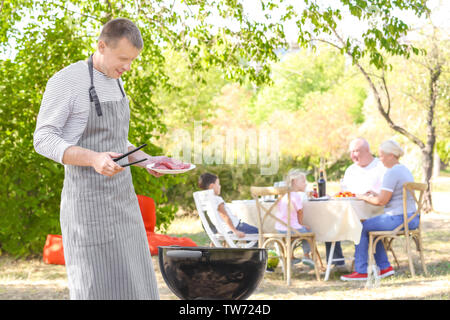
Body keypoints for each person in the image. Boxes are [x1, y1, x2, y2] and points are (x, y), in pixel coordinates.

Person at [34, 18, 179, 299]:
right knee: (97, 287)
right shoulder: (68, 80)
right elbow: (43, 139)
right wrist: (93, 159)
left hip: (123, 203)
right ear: (102, 46)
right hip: (87, 209)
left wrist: (147, 160)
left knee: (136, 286)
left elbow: (115, 141)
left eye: (132, 60)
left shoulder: (116, 82)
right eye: (123, 58)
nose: (127, 67)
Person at [341, 140, 418, 281]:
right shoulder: (403, 169)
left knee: (361, 227)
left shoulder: (391, 173)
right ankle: (385, 267)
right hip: (412, 218)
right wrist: (375, 194)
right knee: (373, 227)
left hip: (399, 218)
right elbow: (387, 197)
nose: (380, 159)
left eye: (382, 156)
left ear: (391, 155)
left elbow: (381, 202)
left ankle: (362, 270)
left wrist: (362, 196)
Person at [326, 138, 387, 270]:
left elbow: (384, 195)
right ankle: (338, 262)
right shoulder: (350, 170)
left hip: (374, 211)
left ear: (367, 151)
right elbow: (345, 192)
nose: (353, 155)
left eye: (356, 151)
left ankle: (362, 266)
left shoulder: (380, 167)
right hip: (350, 210)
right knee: (328, 218)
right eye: (351, 151)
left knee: (361, 226)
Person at [198, 173, 259, 237]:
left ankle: (248, 246)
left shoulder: (206, 201)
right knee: (259, 233)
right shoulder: (217, 199)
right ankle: (252, 247)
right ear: (212, 186)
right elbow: (224, 216)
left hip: (223, 231)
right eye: (218, 184)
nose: (220, 186)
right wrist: (235, 231)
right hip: (236, 227)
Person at [275, 169, 315, 268]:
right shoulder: (295, 195)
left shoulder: (282, 195)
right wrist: (301, 225)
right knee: (307, 233)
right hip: (291, 228)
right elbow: (300, 212)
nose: (305, 184)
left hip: (279, 228)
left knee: (293, 236)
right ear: (295, 182)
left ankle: (291, 257)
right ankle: (306, 256)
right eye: (303, 182)